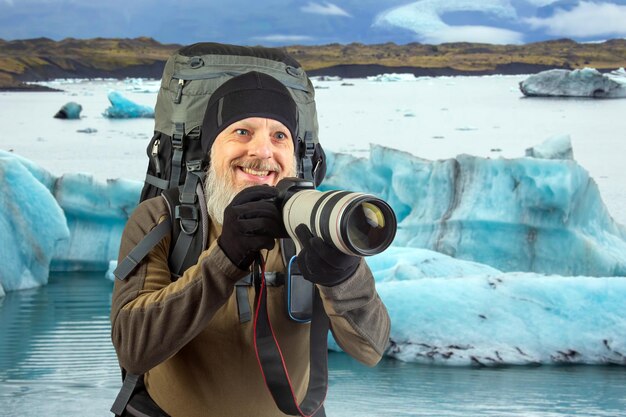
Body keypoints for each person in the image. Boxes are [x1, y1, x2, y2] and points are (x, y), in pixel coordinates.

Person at [110, 71, 391, 417]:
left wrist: (343, 277)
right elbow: (134, 348)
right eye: (241, 132)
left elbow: (371, 349)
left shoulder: (314, 224)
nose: (262, 151)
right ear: (211, 148)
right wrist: (225, 257)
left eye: (279, 136)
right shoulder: (162, 220)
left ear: (295, 154)